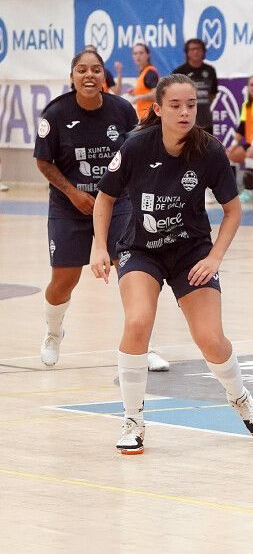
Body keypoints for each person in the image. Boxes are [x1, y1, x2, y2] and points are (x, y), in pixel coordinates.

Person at [90, 73, 253, 455]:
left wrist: (214, 257)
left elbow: (233, 210)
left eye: (191, 105)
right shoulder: (137, 145)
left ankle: (240, 398)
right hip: (141, 250)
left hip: (191, 252)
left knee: (210, 339)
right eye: (175, 105)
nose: (185, 111)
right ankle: (133, 419)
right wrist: (99, 247)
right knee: (138, 321)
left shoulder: (209, 151)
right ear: (157, 109)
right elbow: (105, 198)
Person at [33, 50, 168, 372]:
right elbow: (43, 161)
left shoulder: (121, 110)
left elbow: (137, 151)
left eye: (95, 69)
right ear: (72, 76)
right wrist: (72, 192)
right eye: (82, 70)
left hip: (117, 202)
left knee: (133, 271)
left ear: (103, 76)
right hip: (69, 206)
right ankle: (53, 333)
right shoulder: (56, 113)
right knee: (64, 280)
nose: (89, 75)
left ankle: (142, 346)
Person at [173, 39, 218, 135]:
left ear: (203, 51)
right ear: (187, 52)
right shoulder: (179, 72)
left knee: (207, 149)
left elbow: (213, 94)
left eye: (198, 49)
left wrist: (201, 103)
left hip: (206, 121)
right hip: (185, 121)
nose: (196, 52)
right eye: (192, 49)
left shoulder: (210, 70)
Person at [127, 43, 160, 122]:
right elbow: (147, 91)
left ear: (148, 55)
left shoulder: (150, 72)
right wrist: (135, 92)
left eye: (141, 53)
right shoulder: (144, 72)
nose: (138, 56)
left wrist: (138, 97)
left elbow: (155, 95)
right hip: (144, 118)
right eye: (135, 53)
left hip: (151, 118)